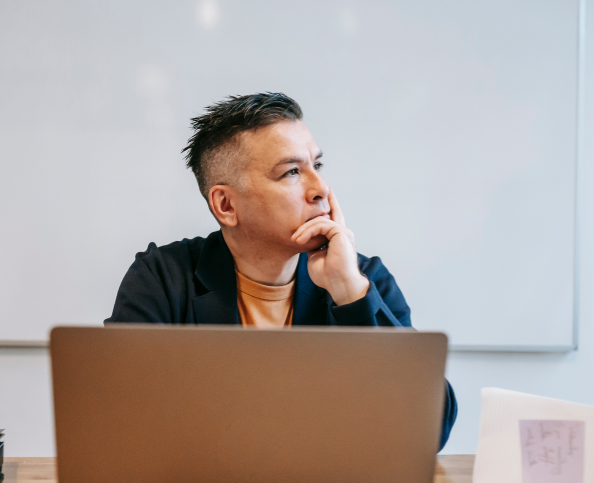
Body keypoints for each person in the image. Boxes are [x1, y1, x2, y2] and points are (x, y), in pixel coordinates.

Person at [106, 92, 457, 450]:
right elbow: (117, 420)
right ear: (225, 205)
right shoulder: (163, 279)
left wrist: (351, 294)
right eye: (291, 172)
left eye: (317, 167)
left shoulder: (360, 277)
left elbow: (429, 432)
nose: (320, 189)